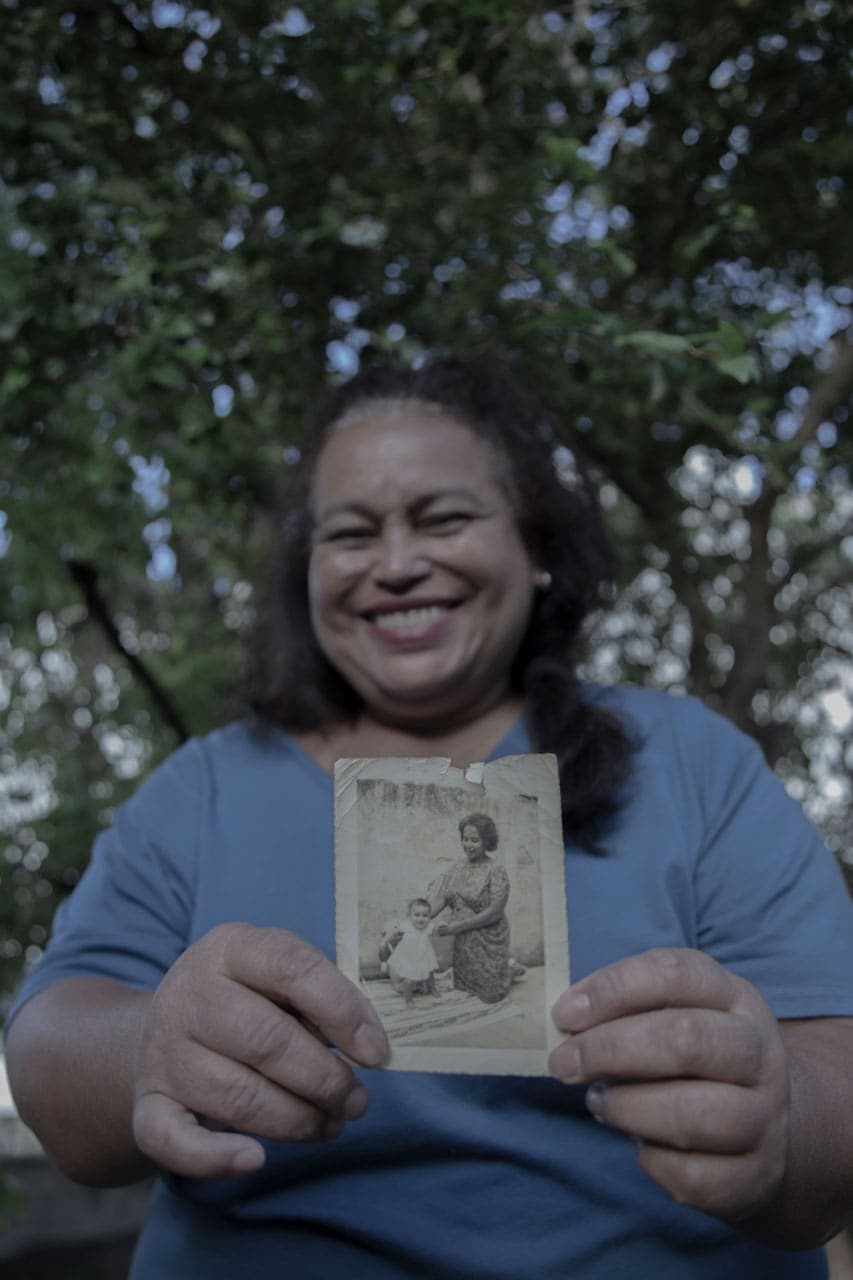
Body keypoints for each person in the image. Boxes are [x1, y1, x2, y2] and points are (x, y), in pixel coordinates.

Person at [5, 357, 853, 1279]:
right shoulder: (200, 789)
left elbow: (830, 1068)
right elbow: (51, 1051)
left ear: (535, 549)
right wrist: (150, 1046)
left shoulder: (692, 762)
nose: (399, 564)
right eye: (352, 533)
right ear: (310, 572)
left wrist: (778, 1123)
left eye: (444, 518)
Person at [430, 812, 512, 1003]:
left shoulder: (495, 870)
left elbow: (495, 912)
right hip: (464, 943)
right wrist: (416, 919)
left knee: (492, 995)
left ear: (486, 841)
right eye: (465, 839)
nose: (468, 844)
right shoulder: (456, 868)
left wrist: (457, 927)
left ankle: (507, 968)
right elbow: (441, 898)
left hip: (489, 939)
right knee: (462, 987)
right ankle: (508, 968)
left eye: (474, 840)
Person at [378, 897, 440, 1003]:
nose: (421, 919)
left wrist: (443, 925)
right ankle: (409, 1000)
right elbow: (394, 932)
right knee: (408, 979)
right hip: (408, 958)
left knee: (430, 972)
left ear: (429, 916)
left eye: (425, 916)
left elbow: (438, 929)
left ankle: (432, 988)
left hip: (424, 955)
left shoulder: (429, 926)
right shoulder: (407, 925)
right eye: (417, 915)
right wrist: (385, 939)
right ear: (410, 916)